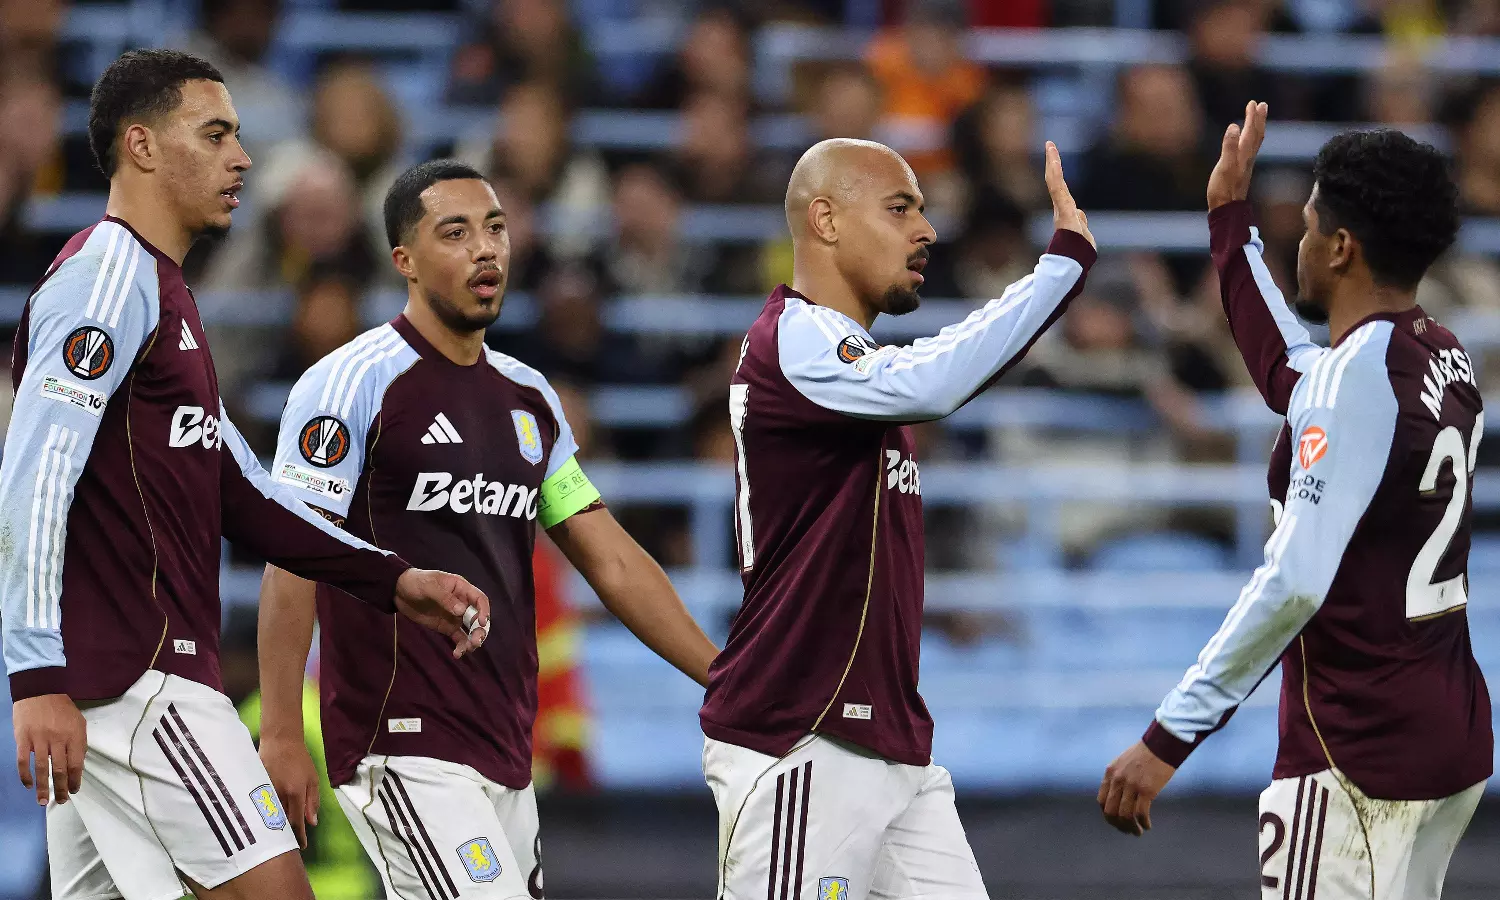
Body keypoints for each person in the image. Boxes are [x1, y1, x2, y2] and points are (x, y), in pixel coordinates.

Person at [0, 50, 491, 900]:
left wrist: (393, 579)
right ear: (142, 146)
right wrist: (35, 674)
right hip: (142, 678)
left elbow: (247, 493)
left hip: (116, 685)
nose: (244, 157)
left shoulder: (162, 293)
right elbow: (35, 473)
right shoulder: (108, 277)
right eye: (216, 134)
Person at [255, 159, 720, 900]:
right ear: (404, 260)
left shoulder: (530, 400)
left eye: (495, 228)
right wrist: (281, 731)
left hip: (506, 748)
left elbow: (610, 559)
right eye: (456, 232)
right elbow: (293, 557)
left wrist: (723, 678)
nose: (485, 249)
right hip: (400, 741)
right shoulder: (352, 382)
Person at [1099, 103, 1492, 899]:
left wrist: (1168, 737)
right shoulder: (1440, 350)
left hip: (1356, 750)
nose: (1300, 241)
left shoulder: (1353, 380)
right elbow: (1292, 371)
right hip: (1446, 731)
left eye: (1309, 225)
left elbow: (1294, 583)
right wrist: (1229, 221)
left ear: (1341, 247)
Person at [701, 137, 1096, 900]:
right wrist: (1060, 268)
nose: (927, 230)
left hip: (888, 742)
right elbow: (929, 382)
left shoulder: (850, 368)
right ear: (826, 220)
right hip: (803, 736)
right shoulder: (795, 338)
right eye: (900, 208)